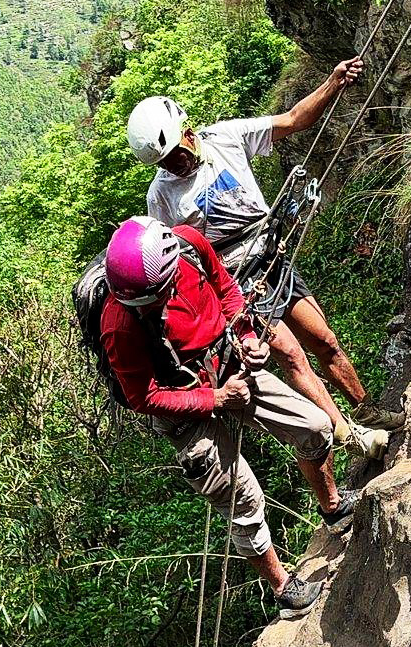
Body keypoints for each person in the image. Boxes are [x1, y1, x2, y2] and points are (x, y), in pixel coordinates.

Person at [124, 59, 405, 461]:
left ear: (188, 132)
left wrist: (332, 82)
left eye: (175, 154)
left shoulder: (225, 138)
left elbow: (291, 120)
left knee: (324, 339)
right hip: (236, 280)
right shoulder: (161, 196)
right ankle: (350, 437)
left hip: (271, 255)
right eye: (164, 162)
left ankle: (366, 407)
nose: (174, 165)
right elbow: (172, 258)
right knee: (291, 355)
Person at [99, 215, 358, 618]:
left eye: (154, 296)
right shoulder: (121, 325)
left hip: (229, 366)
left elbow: (227, 291)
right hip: (187, 408)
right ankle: (283, 588)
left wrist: (250, 338)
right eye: (141, 300)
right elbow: (142, 396)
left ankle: (334, 508)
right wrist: (215, 399)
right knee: (243, 498)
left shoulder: (188, 247)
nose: (148, 306)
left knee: (314, 426)